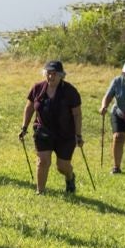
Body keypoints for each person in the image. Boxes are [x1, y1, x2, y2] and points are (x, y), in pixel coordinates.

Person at [21, 59, 84, 194]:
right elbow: (29, 108)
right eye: (48, 73)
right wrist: (24, 127)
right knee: (43, 161)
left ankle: (70, 177)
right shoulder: (37, 88)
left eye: (54, 74)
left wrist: (78, 135)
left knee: (62, 166)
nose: (51, 76)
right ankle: (40, 191)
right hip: (43, 131)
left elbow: (77, 114)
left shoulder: (70, 92)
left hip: (65, 134)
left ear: (61, 75)